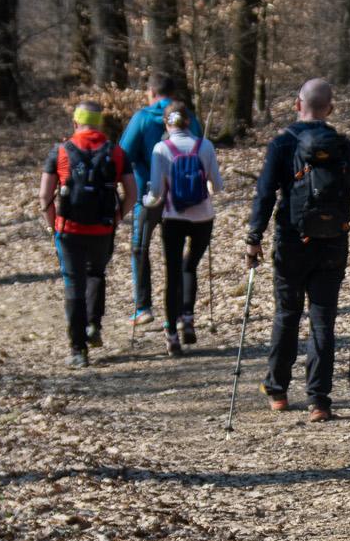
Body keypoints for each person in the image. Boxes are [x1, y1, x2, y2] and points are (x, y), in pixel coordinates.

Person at [245, 78, 350, 420]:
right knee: (323, 320)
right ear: (330, 109)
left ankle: (277, 391)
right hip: (332, 244)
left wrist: (254, 236)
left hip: (292, 242)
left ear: (297, 104)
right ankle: (319, 400)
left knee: (287, 314)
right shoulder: (344, 147)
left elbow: (265, 194)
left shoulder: (282, 144)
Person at [40, 101, 128, 368]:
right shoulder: (115, 151)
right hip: (103, 228)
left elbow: (44, 195)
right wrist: (117, 217)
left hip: (68, 230)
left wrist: (52, 224)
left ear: (75, 122)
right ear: (100, 123)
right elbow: (132, 192)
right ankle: (93, 325)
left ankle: (78, 350)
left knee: (73, 283)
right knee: (96, 273)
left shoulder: (60, 151)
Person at [120, 73, 207, 326]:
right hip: (183, 196)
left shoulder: (142, 118)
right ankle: (178, 311)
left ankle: (143, 307)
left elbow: (123, 155)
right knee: (176, 253)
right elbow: (200, 148)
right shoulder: (189, 118)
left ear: (151, 92)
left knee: (140, 248)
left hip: (148, 195)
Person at [145, 104, 224, 356]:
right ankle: (188, 318)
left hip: (174, 218)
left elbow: (157, 193)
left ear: (166, 123)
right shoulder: (205, 146)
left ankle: (172, 335)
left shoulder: (161, 149)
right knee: (190, 267)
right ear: (188, 122)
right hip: (203, 218)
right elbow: (217, 186)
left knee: (173, 274)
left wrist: (145, 201)